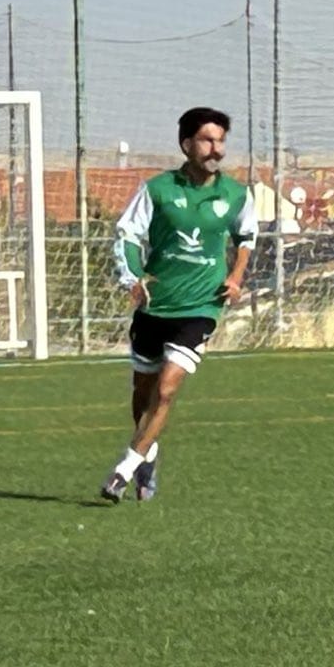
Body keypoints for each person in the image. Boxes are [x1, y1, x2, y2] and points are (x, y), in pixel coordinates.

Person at [101, 107, 257, 502]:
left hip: (202, 306)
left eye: (220, 140)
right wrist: (133, 277)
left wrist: (236, 277)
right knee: (143, 393)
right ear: (186, 144)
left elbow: (246, 237)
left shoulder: (236, 194)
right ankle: (147, 455)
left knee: (167, 390)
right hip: (156, 306)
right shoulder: (157, 189)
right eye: (206, 140)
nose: (215, 149)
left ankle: (124, 470)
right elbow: (128, 235)